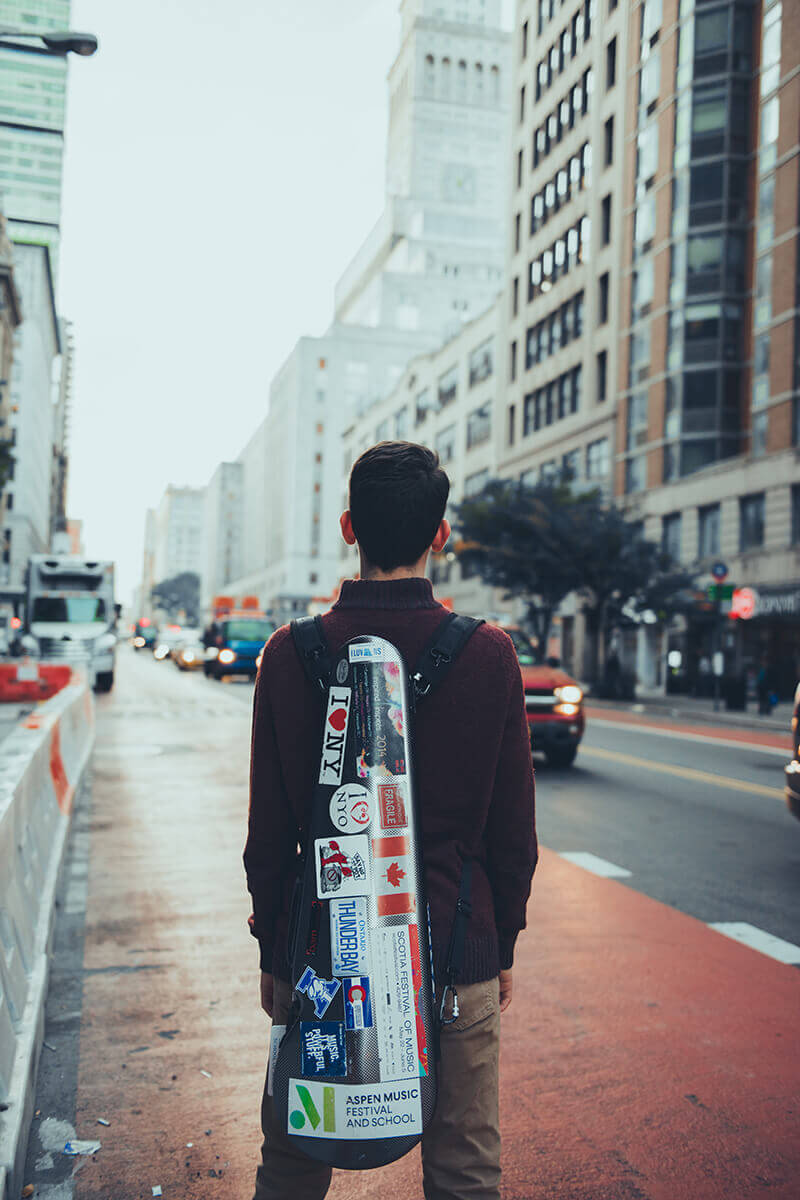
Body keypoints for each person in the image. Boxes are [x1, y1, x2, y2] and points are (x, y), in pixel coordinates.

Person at [244, 441, 538, 1200]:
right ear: (441, 534)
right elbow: (513, 834)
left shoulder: (289, 654)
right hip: (458, 949)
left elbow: (269, 837)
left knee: (292, 1162)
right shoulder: (489, 655)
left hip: (318, 953)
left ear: (349, 527)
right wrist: (502, 943)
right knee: (465, 1169)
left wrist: (273, 951)